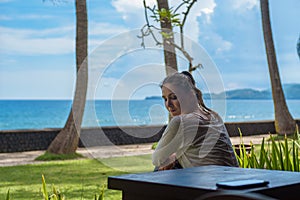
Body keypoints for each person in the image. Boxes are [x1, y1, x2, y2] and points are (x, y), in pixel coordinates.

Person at [152, 71, 238, 171]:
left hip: (211, 184)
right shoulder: (214, 116)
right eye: (165, 99)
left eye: (173, 97)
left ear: (190, 95)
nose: (168, 104)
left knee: (160, 167)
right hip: (233, 180)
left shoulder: (181, 122)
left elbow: (157, 159)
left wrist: (173, 157)